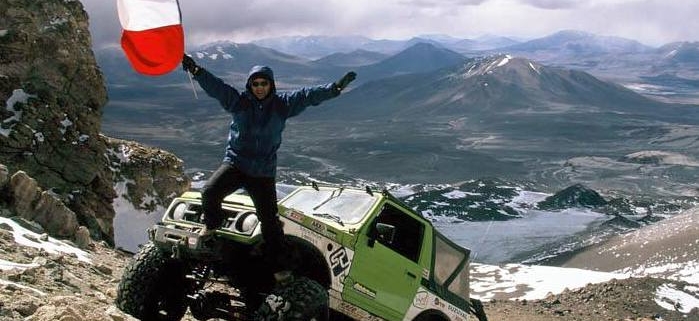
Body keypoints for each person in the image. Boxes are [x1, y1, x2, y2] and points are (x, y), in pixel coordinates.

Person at [181, 54, 356, 274]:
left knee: (271, 224)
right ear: (250, 85)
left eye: (264, 83)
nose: (260, 87)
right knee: (209, 192)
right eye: (255, 83)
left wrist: (335, 88)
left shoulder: (282, 105)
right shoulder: (240, 103)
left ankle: (280, 269)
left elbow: (307, 96)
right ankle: (213, 228)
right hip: (236, 164)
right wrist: (197, 71)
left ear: (271, 85)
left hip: (262, 173)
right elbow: (218, 88)